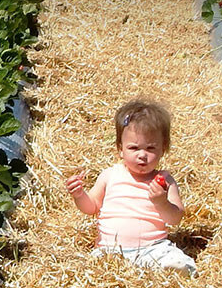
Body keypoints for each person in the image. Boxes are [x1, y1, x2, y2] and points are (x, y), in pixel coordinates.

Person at [64, 100, 197, 277]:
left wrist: (161, 202)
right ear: (120, 149)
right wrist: (79, 195)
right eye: (134, 148)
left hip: (152, 248)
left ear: (163, 149)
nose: (142, 155)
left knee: (177, 261)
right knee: (92, 271)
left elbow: (175, 218)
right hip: (110, 250)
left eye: (151, 148)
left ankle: (167, 271)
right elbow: (91, 207)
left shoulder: (165, 181)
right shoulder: (110, 175)